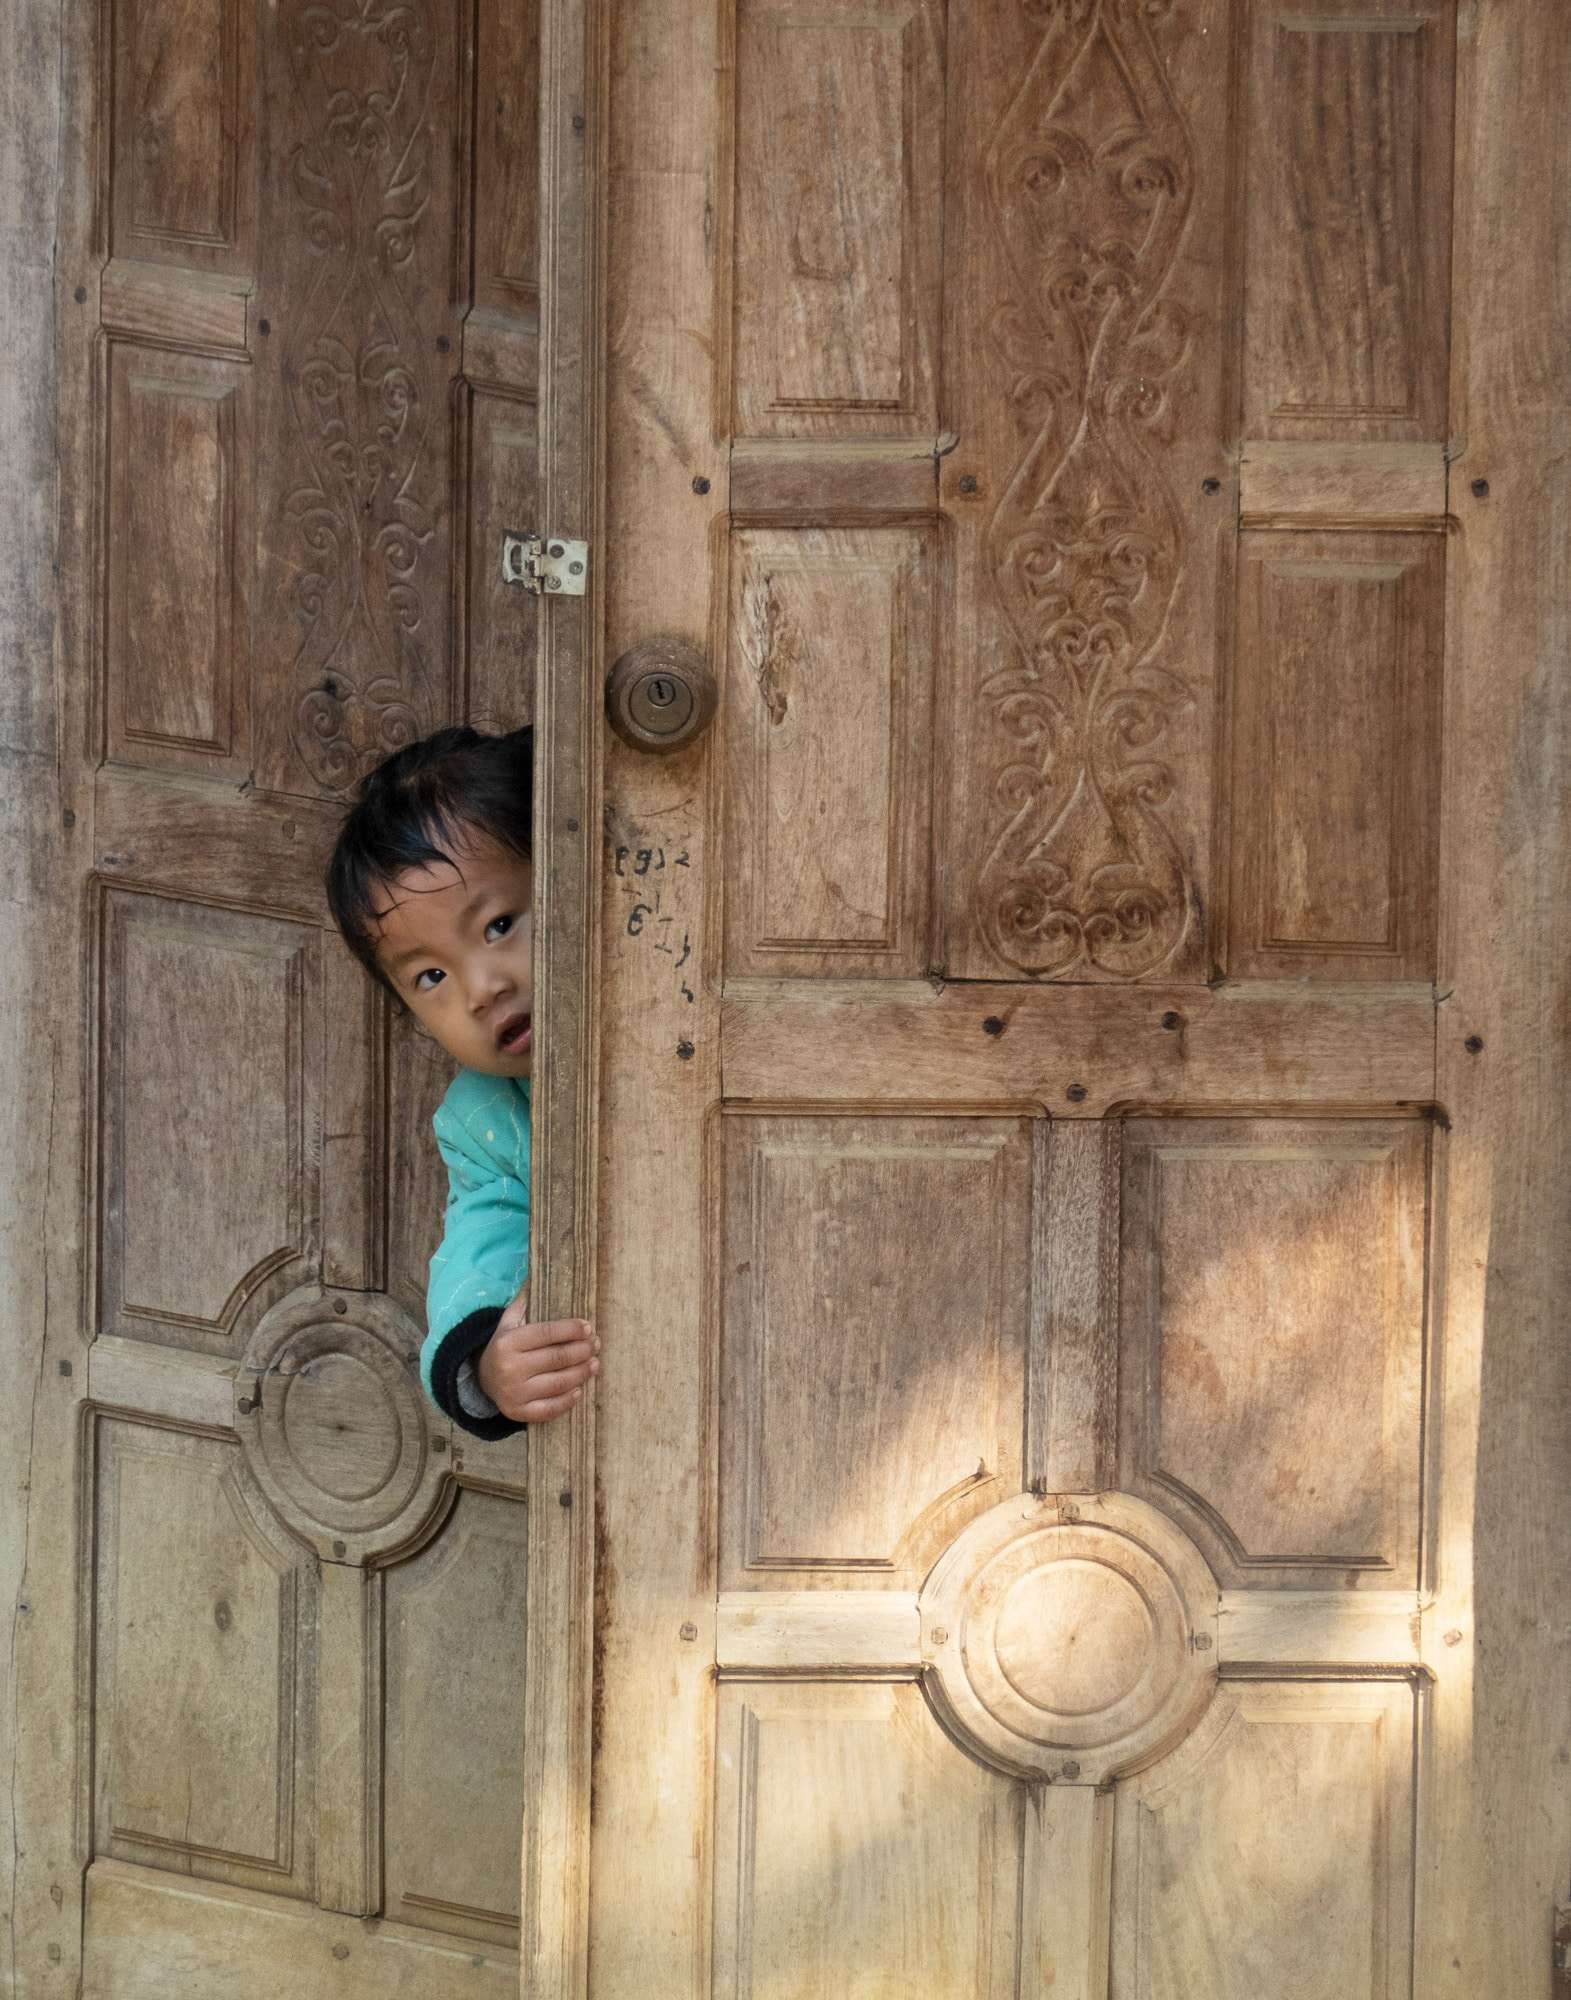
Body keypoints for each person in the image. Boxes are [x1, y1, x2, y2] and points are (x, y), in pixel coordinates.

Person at [324, 724, 599, 1439]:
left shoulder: (679, 1009)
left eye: (500, 924)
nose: (481, 989)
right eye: (431, 976)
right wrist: (490, 1367)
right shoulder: (485, 1121)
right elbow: (482, 1249)